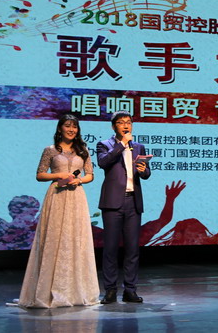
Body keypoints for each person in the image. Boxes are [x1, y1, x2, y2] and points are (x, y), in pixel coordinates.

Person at [18, 114, 99, 308]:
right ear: (60, 128)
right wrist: (60, 175)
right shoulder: (50, 150)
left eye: (74, 127)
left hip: (77, 196)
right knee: (54, 238)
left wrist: (79, 180)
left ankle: (76, 291)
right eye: (67, 126)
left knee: (76, 239)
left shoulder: (83, 150)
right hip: (57, 195)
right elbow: (40, 175)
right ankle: (48, 291)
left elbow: (90, 175)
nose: (71, 130)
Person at [97, 110, 151, 304]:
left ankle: (130, 290)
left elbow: (146, 174)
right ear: (114, 126)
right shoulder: (105, 144)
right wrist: (121, 145)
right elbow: (103, 162)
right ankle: (110, 290)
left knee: (132, 250)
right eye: (121, 122)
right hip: (112, 203)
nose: (126, 125)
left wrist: (143, 171)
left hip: (133, 202)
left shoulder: (139, 147)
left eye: (129, 122)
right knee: (110, 249)